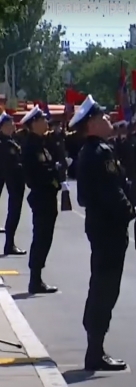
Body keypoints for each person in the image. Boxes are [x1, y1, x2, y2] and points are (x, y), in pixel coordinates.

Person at [73, 95, 136, 371]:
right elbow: (110, 193)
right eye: (104, 117)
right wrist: (132, 210)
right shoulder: (100, 153)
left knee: (103, 286)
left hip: (101, 227)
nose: (109, 120)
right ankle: (95, 351)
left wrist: (131, 183)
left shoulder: (93, 151)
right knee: (105, 288)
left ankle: (95, 346)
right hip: (108, 229)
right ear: (92, 124)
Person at [19, 105, 61, 294]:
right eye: (42, 119)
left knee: (45, 237)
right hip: (41, 195)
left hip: (48, 196)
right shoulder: (31, 146)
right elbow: (36, 173)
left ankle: (37, 278)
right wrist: (54, 173)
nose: (46, 122)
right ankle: (35, 279)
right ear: (34, 123)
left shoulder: (42, 143)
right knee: (41, 237)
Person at [0, 112, 26, 255]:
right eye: (9, 125)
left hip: (15, 182)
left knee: (15, 213)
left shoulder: (12, 141)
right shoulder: (5, 144)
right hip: (13, 181)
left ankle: (10, 243)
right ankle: (9, 244)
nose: (13, 127)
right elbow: (10, 165)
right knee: (14, 212)